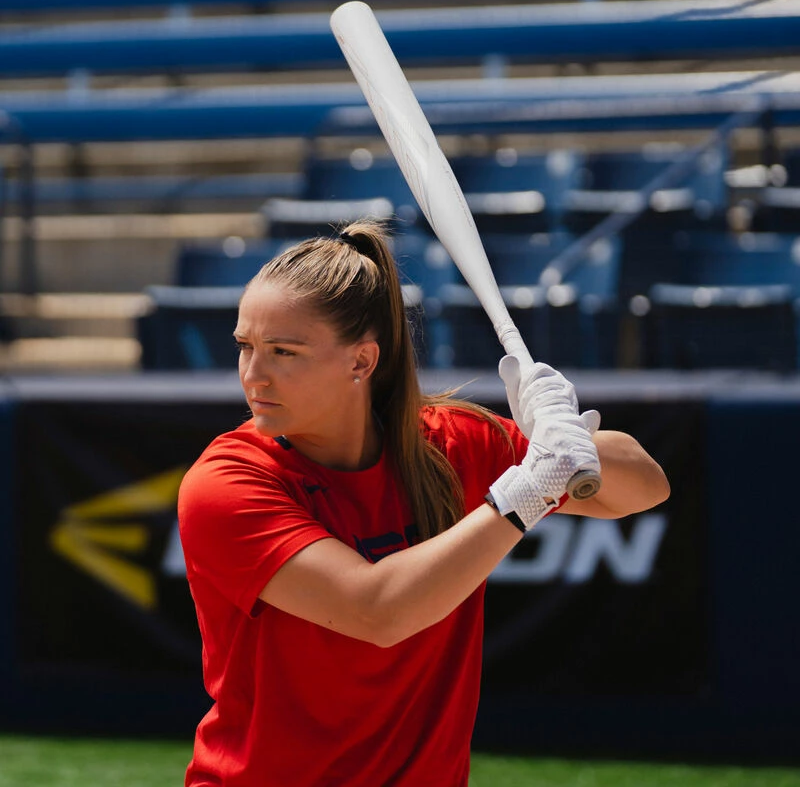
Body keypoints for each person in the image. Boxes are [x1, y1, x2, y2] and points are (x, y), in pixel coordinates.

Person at [177, 219, 670, 787]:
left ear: (362, 362)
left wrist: (562, 434)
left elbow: (644, 486)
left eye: (283, 351)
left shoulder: (445, 442)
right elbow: (378, 611)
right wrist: (525, 491)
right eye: (245, 346)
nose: (253, 374)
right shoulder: (227, 482)